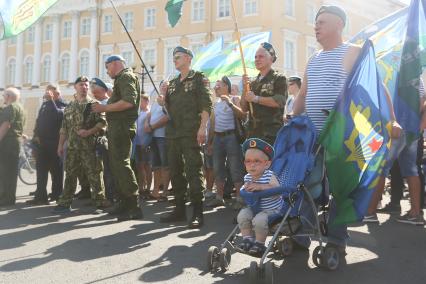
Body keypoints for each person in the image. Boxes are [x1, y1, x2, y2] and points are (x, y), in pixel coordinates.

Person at [292, 5, 402, 252]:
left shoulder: (353, 52)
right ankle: (303, 234)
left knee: (341, 189)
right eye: (315, 21)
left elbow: (378, 87)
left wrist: (392, 120)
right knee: (309, 185)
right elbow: (303, 93)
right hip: (314, 137)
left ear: (339, 24)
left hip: (344, 136)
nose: (316, 26)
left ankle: (336, 239)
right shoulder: (314, 58)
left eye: (322, 21)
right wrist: (291, 116)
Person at [157, 46, 212, 228]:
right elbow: (167, 108)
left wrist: (202, 128)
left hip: (190, 133)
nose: (175, 60)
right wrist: (162, 99)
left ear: (188, 58)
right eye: (173, 57)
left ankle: (197, 212)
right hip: (173, 134)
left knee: (194, 172)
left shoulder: (198, 78)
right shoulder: (172, 83)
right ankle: (179, 210)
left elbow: (206, 105)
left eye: (178, 57)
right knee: (175, 172)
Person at [365, 80, 426, 225]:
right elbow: (423, 101)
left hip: (394, 126)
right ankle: (415, 213)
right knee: (411, 169)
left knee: (381, 168)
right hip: (412, 126)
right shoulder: (417, 76)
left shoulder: (390, 70)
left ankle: (370, 212)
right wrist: (420, 126)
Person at [92, 55, 143, 221]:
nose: (107, 72)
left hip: (122, 127)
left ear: (114, 64)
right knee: (117, 165)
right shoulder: (122, 79)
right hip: (117, 127)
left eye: (107, 67)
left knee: (122, 164)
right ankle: (123, 202)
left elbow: (128, 102)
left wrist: (104, 107)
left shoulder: (126, 77)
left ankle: (133, 205)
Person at [53, 76, 109, 213]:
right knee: (70, 174)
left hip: (90, 147)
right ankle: (65, 203)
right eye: (81, 85)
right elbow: (64, 128)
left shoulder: (94, 104)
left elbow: (103, 123)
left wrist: (89, 131)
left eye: (86, 85)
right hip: (72, 147)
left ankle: (99, 203)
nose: (84, 87)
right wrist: (60, 145)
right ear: (75, 87)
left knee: (94, 174)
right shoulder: (70, 107)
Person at [206, 76, 245, 210]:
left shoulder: (235, 99)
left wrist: (230, 103)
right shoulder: (215, 104)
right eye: (215, 86)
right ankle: (219, 198)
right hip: (217, 138)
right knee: (217, 168)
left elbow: (242, 115)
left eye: (218, 85)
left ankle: (240, 198)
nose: (216, 88)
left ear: (226, 87)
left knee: (235, 167)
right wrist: (209, 143)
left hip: (231, 137)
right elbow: (212, 125)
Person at [236, 138, 280, 256]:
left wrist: (261, 187)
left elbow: (277, 190)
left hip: (272, 210)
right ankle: (247, 239)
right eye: (248, 161)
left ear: (267, 164)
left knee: (259, 220)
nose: (252, 165)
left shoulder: (269, 175)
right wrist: (245, 189)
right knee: (242, 215)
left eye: (257, 161)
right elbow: (246, 190)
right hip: (255, 208)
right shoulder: (248, 177)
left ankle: (260, 244)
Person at [240, 42, 287, 145]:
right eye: (255, 57)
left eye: (261, 56)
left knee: (271, 161)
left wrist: (256, 98)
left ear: (271, 58)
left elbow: (279, 101)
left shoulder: (279, 78)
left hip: (271, 134)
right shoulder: (253, 83)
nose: (257, 59)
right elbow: (244, 108)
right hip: (253, 133)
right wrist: (244, 88)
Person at [27, 84, 67, 205]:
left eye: (50, 92)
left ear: (57, 93)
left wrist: (50, 101)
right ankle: (40, 196)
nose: (47, 94)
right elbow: (39, 121)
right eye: (46, 91)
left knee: (56, 171)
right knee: (41, 169)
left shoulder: (64, 105)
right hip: (42, 143)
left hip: (55, 142)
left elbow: (58, 116)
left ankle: (57, 194)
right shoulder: (44, 105)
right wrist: (35, 137)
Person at [90, 77, 116, 203]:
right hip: (101, 141)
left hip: (109, 140)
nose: (94, 95)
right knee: (103, 170)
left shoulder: (107, 104)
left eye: (96, 92)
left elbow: (104, 123)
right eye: (93, 93)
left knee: (109, 170)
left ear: (103, 91)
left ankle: (111, 197)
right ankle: (105, 196)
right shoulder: (98, 104)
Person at [144, 82, 170, 201]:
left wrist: (152, 127)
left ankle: (164, 192)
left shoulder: (169, 100)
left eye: (166, 85)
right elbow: (150, 113)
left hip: (164, 137)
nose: (164, 86)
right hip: (154, 137)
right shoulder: (156, 100)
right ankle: (155, 191)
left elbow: (167, 117)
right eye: (162, 85)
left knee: (165, 165)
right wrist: (146, 123)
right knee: (156, 165)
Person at [0, 88, 25, 206]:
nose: (3, 97)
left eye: (4, 95)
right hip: (16, 142)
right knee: (11, 172)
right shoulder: (21, 108)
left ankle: (6, 199)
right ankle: (9, 198)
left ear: (8, 96)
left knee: (5, 172)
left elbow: (6, 125)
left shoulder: (9, 108)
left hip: (8, 143)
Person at [135, 95, 152, 197]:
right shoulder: (138, 112)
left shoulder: (149, 113)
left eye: (141, 101)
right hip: (137, 143)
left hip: (146, 143)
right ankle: (141, 187)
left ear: (146, 102)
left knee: (147, 166)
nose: (139, 103)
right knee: (139, 166)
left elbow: (150, 131)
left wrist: (146, 142)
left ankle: (148, 188)